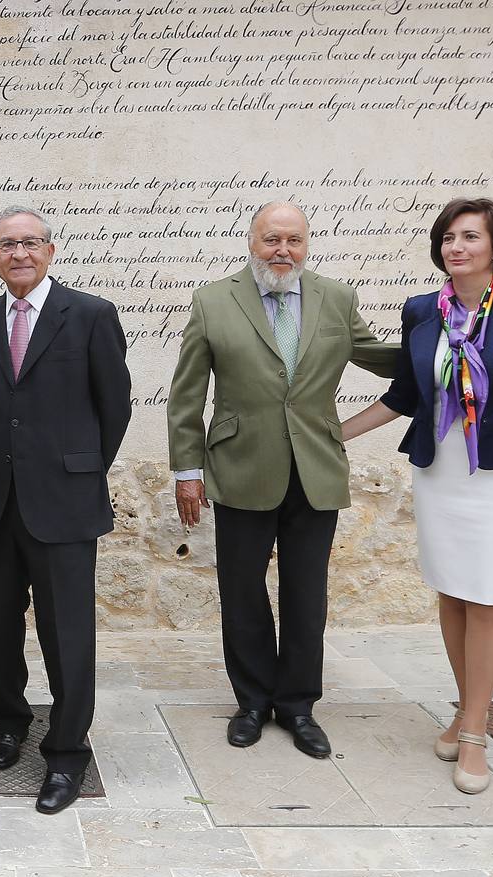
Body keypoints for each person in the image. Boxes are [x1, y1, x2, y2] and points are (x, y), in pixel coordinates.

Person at [340, 198, 493, 793]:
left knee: (489, 595)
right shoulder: (423, 311)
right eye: (448, 237)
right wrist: (332, 435)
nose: (457, 247)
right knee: (451, 591)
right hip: (441, 470)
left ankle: (475, 733)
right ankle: (468, 710)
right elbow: (405, 395)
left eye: (471, 236)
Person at [167, 201, 398, 759]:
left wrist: (447, 342)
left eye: (293, 239)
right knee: (241, 590)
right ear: (252, 241)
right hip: (240, 466)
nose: (283, 250)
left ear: (307, 243)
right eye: (272, 239)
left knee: (306, 593)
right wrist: (187, 471)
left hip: (315, 468)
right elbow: (187, 394)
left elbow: (375, 355)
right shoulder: (214, 301)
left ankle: (297, 706)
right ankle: (250, 702)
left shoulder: (337, 298)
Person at [0, 205, 131, 814]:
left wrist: (75, 468)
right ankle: (9, 722)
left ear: (50, 251)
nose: (19, 254)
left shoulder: (89, 315)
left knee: (67, 634)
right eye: (7, 245)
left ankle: (66, 754)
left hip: (65, 505)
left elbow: (115, 408)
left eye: (31, 243)